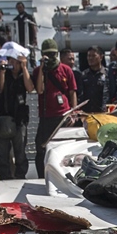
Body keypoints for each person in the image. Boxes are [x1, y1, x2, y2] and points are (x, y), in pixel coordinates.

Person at [33, 38, 76, 178]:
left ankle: (65, 176)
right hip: (46, 116)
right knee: (41, 148)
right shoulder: (39, 71)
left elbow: (72, 92)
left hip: (63, 115)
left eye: (53, 54)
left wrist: (73, 113)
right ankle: (42, 176)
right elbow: (39, 90)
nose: (50, 57)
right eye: (47, 54)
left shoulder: (66, 70)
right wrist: (42, 69)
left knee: (64, 148)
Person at [0, 48, 33, 179]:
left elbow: (30, 88)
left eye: (17, 62)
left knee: (20, 152)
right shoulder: (4, 73)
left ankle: (20, 175)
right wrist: (2, 71)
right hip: (3, 118)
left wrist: (25, 67)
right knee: (2, 153)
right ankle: (5, 176)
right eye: (12, 62)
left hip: (20, 119)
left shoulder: (24, 76)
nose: (15, 65)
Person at [79, 46, 106, 114]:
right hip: (86, 114)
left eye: (93, 56)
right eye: (89, 56)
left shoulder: (107, 74)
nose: (90, 58)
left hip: (103, 113)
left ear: (101, 57)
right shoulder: (83, 75)